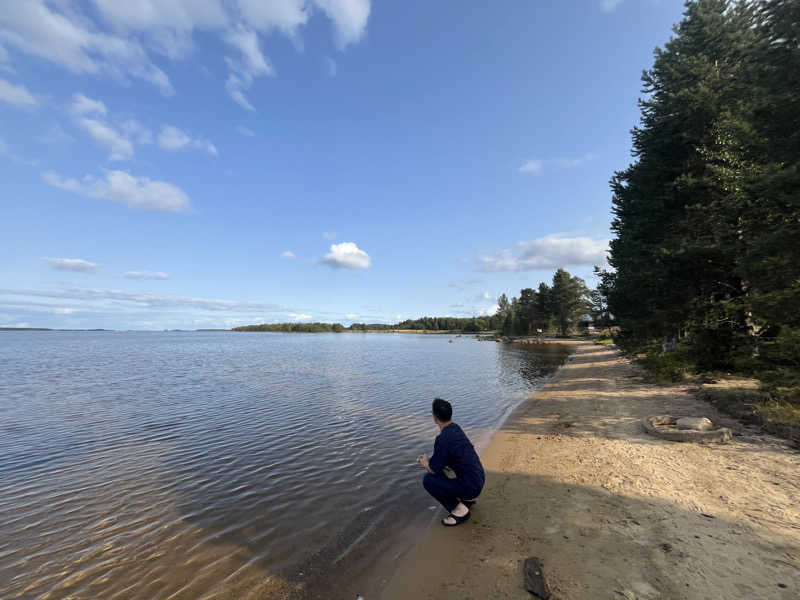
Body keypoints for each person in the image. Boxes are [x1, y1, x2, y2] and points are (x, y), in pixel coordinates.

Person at [416, 398, 485, 526]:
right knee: (443, 470)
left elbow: (433, 469)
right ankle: (465, 500)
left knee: (428, 480)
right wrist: (430, 461)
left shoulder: (443, 439)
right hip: (478, 478)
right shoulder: (455, 428)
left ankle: (460, 510)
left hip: (471, 487)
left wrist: (424, 462)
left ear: (435, 418)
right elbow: (448, 456)